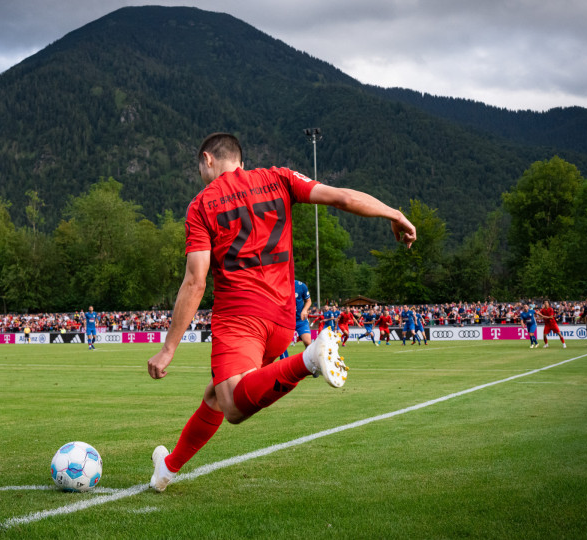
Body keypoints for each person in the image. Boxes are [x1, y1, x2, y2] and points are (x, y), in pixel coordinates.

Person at [146, 133, 416, 491]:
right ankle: (167, 469)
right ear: (241, 161)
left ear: (208, 160)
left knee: (233, 406)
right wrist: (394, 213)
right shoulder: (279, 177)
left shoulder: (201, 205)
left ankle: (309, 359)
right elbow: (344, 198)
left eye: (200, 168)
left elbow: (195, 281)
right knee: (215, 395)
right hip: (283, 320)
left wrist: (168, 348)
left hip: (241, 315)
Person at [279, 279, 313, 359]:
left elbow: (308, 301)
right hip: (285, 320)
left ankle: (309, 364)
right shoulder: (279, 285)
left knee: (308, 342)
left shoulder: (301, 285)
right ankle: (284, 363)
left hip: (300, 320)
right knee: (282, 345)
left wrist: (304, 310)